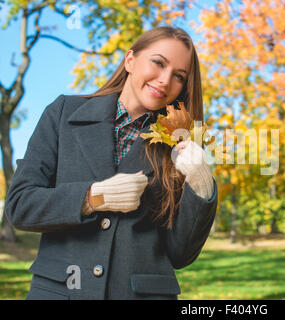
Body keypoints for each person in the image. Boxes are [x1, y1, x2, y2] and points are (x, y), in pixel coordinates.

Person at [5, 26, 218, 300]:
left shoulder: (179, 145)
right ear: (130, 60)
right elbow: (20, 205)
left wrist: (200, 186)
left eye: (179, 76)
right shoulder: (63, 113)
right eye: (158, 62)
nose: (165, 80)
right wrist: (92, 198)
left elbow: (180, 254)